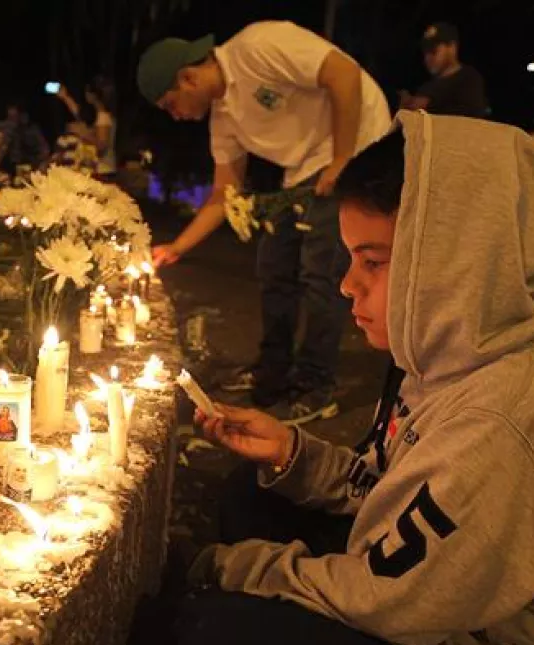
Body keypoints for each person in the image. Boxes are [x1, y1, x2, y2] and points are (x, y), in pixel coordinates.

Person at [129, 111, 534, 645]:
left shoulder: (510, 413)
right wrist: (293, 455)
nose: (347, 286)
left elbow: (393, 598)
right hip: (440, 603)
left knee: (204, 639)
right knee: (248, 492)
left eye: (372, 262)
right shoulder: (445, 350)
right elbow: (387, 489)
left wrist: (234, 570)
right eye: (349, 259)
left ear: (456, 260)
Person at [137, 21, 392, 424]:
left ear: (187, 77)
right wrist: (177, 247)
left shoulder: (257, 47)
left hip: (357, 142)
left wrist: (343, 158)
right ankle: (271, 373)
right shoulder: (224, 118)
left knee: (319, 270)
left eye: (171, 105)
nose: (176, 117)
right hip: (304, 169)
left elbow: (342, 72)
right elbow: (225, 195)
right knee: (273, 264)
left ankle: (314, 386)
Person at [398, 22, 489, 118]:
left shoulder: (469, 78)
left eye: (433, 51)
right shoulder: (425, 88)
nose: (427, 57)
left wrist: (428, 106)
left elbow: (471, 115)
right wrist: (405, 110)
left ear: (452, 48)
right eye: (425, 52)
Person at [54, 77, 118, 178]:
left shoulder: (103, 116)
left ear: (92, 95)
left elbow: (102, 145)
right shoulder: (99, 114)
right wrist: (65, 97)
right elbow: (79, 114)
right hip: (100, 169)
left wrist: (82, 133)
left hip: (104, 170)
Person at [0, 104, 49, 173]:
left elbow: (44, 148)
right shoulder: (4, 129)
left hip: (30, 164)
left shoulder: (32, 130)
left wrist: (40, 161)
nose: (12, 120)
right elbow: (0, 149)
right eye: (10, 117)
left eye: (15, 116)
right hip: (8, 166)